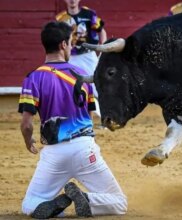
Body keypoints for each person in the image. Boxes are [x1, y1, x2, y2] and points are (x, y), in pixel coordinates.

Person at [19, 21, 127, 218]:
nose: (70, 47)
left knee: (30, 205)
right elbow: (91, 115)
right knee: (119, 203)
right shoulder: (84, 77)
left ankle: (54, 208)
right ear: (62, 45)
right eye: (70, 43)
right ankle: (87, 199)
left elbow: (26, 124)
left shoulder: (33, 78)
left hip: (54, 155)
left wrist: (29, 141)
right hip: (85, 150)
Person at [56, 0, 106, 117]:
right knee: (72, 85)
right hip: (71, 57)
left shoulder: (89, 14)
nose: (72, 0)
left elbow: (101, 30)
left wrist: (102, 47)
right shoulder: (60, 19)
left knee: (97, 85)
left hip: (88, 55)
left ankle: (106, 115)